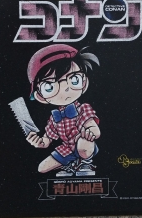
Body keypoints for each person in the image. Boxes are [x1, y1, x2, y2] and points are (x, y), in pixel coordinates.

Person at [26, 43, 100, 176]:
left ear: (84, 82)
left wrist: (90, 133)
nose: (65, 89)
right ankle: (72, 165)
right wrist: (39, 143)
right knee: (41, 168)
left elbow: (94, 129)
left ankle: (85, 163)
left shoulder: (83, 109)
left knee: (83, 144)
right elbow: (47, 140)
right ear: (40, 96)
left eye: (74, 79)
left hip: (84, 144)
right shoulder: (54, 118)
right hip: (66, 149)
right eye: (50, 87)